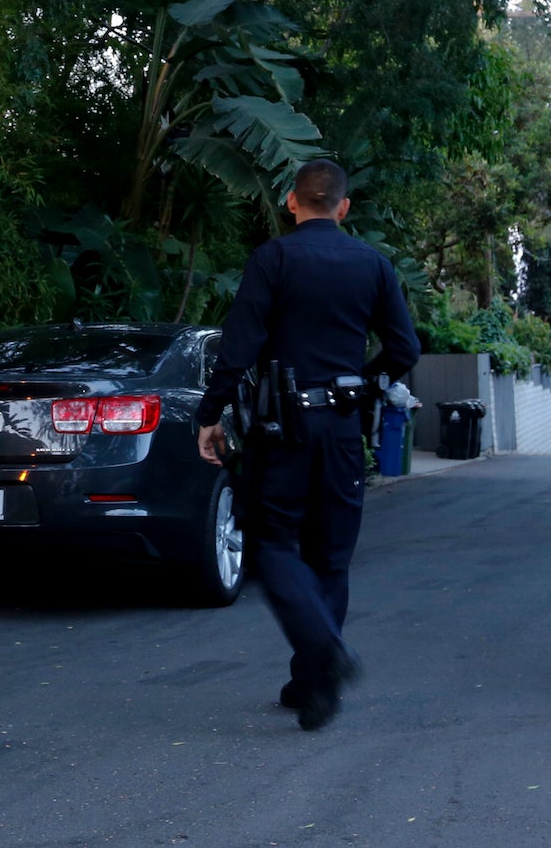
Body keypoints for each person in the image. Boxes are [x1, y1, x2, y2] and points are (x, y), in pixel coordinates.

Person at [195, 160, 422, 731]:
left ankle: (324, 656)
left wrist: (210, 412)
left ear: (292, 203)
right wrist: (363, 385)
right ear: (344, 208)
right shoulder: (373, 264)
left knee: (272, 545)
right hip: (342, 430)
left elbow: (240, 344)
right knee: (331, 557)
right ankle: (313, 686)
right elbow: (405, 349)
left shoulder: (273, 258)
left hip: (283, 430)